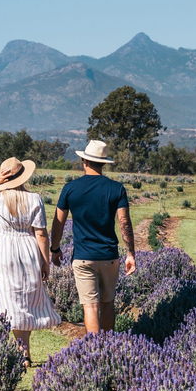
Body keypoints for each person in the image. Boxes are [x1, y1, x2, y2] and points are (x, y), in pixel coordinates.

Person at [0, 157, 61, 366]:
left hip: (5, 252)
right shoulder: (34, 198)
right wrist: (45, 261)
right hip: (28, 250)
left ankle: (21, 351)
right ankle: (24, 351)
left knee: (10, 299)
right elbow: (41, 234)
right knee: (26, 299)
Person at [51, 140, 135, 334]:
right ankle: (107, 348)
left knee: (90, 306)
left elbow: (58, 222)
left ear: (84, 161)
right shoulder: (117, 188)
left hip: (83, 256)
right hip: (109, 256)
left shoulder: (70, 188)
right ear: (104, 163)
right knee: (107, 303)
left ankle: (95, 352)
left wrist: (55, 249)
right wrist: (130, 253)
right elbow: (125, 223)